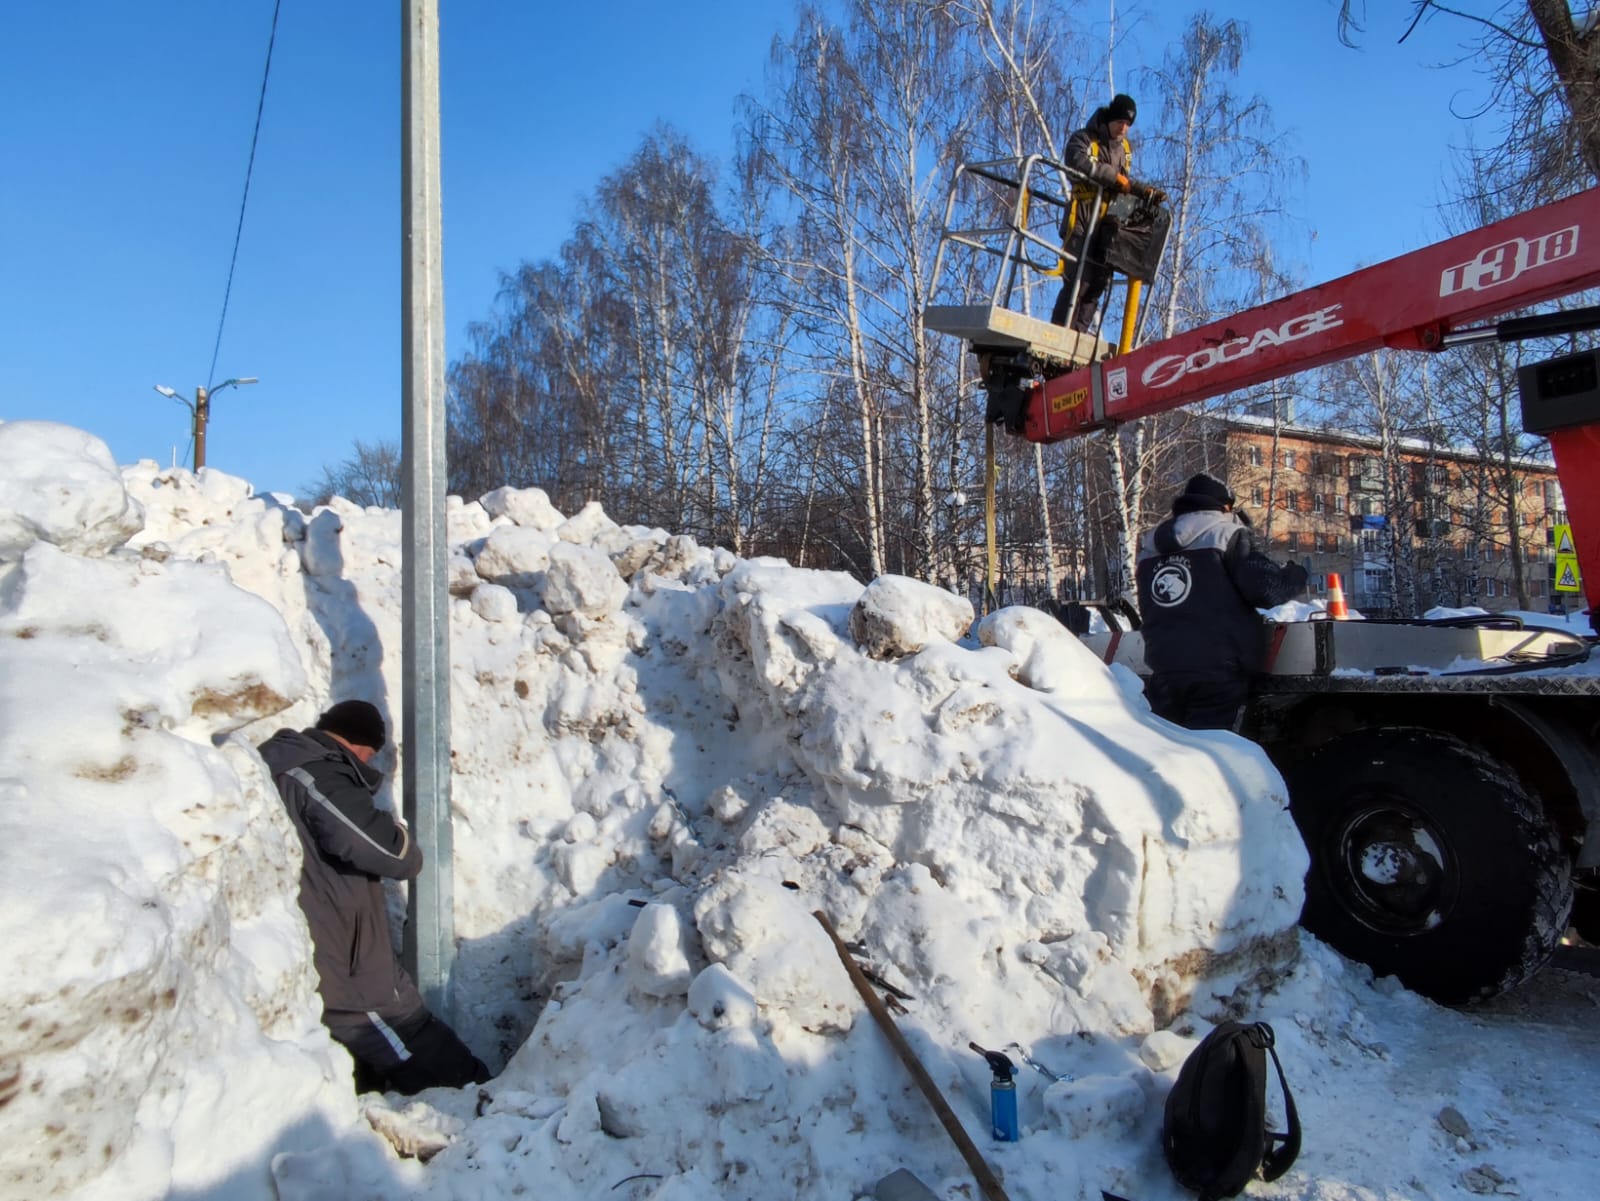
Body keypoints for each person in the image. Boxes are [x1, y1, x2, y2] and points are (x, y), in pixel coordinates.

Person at [260, 699, 489, 1094]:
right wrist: (397, 832)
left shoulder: (277, 766)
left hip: (318, 950)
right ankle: (480, 1106)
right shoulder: (315, 774)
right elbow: (392, 854)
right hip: (345, 963)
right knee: (406, 1032)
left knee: (357, 1059)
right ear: (365, 747)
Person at [1134, 473, 1308, 730]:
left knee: (1170, 747)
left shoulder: (1149, 546)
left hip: (1165, 667)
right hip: (1218, 668)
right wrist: (1296, 575)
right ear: (1225, 506)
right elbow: (1267, 590)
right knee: (1211, 752)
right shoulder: (1225, 534)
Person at [1050, 93, 1166, 332]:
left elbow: (1125, 184)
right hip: (1082, 215)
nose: (1123, 128)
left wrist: (1143, 192)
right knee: (1078, 280)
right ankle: (1060, 332)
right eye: (1120, 123)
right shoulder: (1083, 139)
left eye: (1128, 125)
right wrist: (1115, 178)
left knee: (1098, 281)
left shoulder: (1124, 148)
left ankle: (1078, 334)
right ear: (1109, 119)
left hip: (1108, 220)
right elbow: (1078, 163)